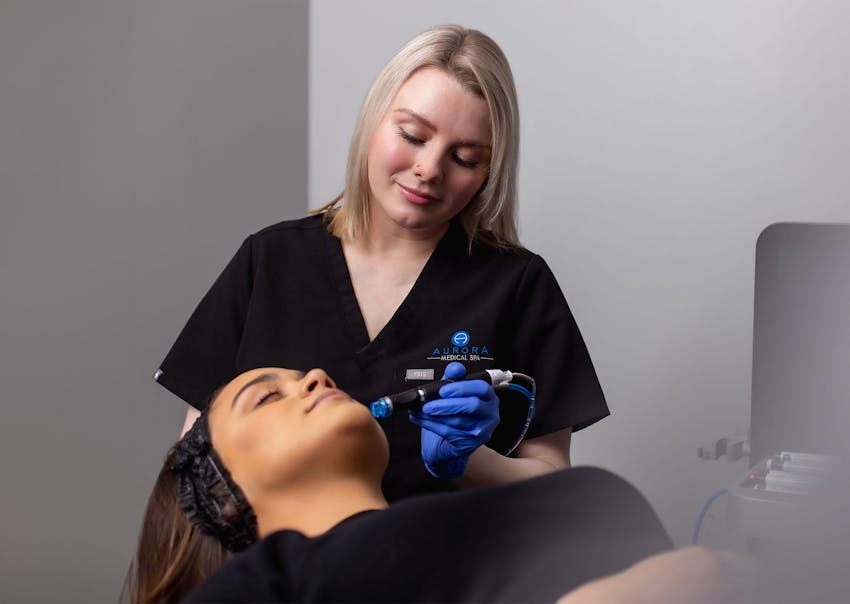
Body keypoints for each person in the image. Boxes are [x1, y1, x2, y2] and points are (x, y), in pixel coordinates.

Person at [153, 24, 609, 500]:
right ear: (374, 120)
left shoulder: (516, 286)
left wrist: (470, 460)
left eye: (466, 158)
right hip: (274, 567)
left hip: (445, 569)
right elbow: (193, 466)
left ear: (489, 174)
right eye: (412, 135)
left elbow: (556, 487)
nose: (429, 169)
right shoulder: (270, 261)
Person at [126, 367, 764, 603]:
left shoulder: (571, 499)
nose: (314, 375)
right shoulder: (274, 582)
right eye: (268, 396)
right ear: (221, 494)